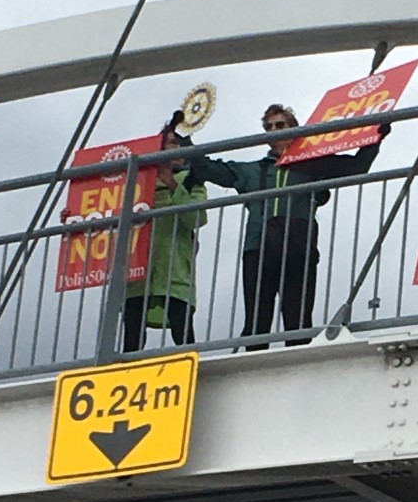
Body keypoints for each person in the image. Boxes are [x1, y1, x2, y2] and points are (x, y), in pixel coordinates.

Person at [192, 104, 388, 349]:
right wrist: (184, 139)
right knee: (256, 321)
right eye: (269, 127)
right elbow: (211, 169)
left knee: (297, 321)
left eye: (280, 125)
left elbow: (356, 167)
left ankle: (297, 369)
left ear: (294, 130)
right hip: (258, 249)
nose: (274, 131)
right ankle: (254, 370)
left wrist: (375, 138)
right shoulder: (254, 170)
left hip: (299, 249)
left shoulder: (312, 166)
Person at [123, 117, 208, 351]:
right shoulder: (135, 182)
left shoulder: (191, 181)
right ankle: (126, 378)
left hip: (175, 270)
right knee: (132, 335)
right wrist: (73, 216)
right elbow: (105, 213)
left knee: (183, 334)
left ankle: (191, 375)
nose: (175, 146)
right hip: (138, 272)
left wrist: (171, 183)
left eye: (178, 142)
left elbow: (198, 218)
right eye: (170, 142)